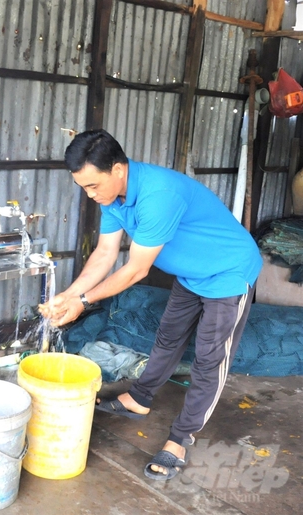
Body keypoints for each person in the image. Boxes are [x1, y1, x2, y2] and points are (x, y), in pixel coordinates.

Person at [38, 129, 262, 481]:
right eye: (83, 187)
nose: (90, 194)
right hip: (191, 273)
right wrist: (69, 295)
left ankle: (180, 438)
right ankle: (139, 398)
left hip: (227, 273)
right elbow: (105, 253)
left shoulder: (158, 195)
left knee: (209, 358)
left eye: (92, 186)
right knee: (169, 336)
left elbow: (135, 270)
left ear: (118, 170)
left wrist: (83, 301)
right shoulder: (113, 199)